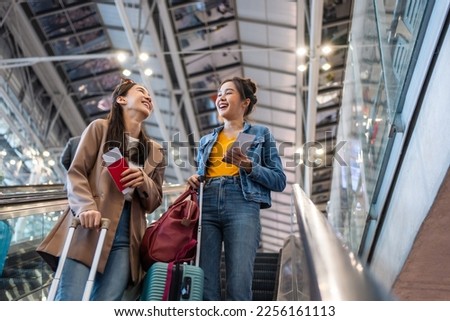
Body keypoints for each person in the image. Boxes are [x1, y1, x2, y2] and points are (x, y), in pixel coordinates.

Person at [37, 78, 166, 300]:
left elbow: (154, 201)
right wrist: (86, 207)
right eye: (141, 91)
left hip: (129, 235)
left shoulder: (155, 151)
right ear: (121, 99)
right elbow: (76, 172)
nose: (148, 97)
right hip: (90, 223)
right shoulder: (100, 129)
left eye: (150, 96)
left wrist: (143, 180)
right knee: (70, 298)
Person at [187, 76, 286, 300]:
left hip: (242, 203)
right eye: (220, 93)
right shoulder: (206, 141)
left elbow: (279, 180)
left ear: (245, 103)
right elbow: (202, 174)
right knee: (204, 284)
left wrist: (249, 166)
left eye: (228, 92)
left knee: (239, 282)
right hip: (207, 205)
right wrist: (195, 178)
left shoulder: (259, 134)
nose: (221, 97)